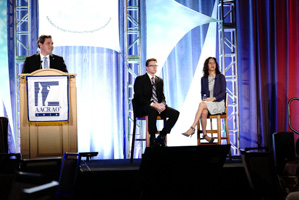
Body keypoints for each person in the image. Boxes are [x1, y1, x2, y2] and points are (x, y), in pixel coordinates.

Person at [133, 58, 180, 147]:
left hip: (157, 106)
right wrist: (153, 104)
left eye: (156, 65)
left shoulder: (159, 80)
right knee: (152, 110)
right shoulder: (140, 79)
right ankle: (152, 137)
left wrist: (163, 104)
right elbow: (139, 97)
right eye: (152, 65)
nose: (155, 67)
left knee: (175, 113)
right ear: (146, 67)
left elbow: (161, 95)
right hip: (143, 107)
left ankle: (162, 136)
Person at [182, 57, 226, 143]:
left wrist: (213, 99)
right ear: (207, 65)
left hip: (218, 103)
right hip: (208, 104)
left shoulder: (221, 77)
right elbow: (202, 93)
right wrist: (205, 99)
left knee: (201, 104)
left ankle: (192, 128)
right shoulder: (204, 79)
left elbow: (223, 93)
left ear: (216, 65)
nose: (212, 65)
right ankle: (205, 135)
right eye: (210, 63)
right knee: (204, 112)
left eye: (214, 63)